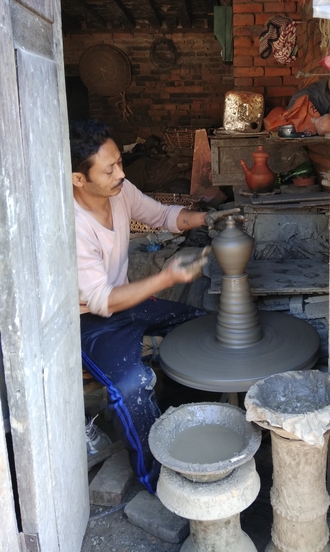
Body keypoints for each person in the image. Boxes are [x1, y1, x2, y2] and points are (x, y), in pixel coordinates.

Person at [69, 119, 239, 493]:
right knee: (132, 383)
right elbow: (100, 299)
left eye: (119, 162)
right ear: (78, 179)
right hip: (86, 321)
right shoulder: (72, 225)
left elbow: (161, 215)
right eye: (109, 168)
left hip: (125, 301)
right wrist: (166, 278)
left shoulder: (120, 191)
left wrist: (206, 218)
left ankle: (183, 415)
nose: (121, 173)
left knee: (202, 329)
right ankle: (158, 480)